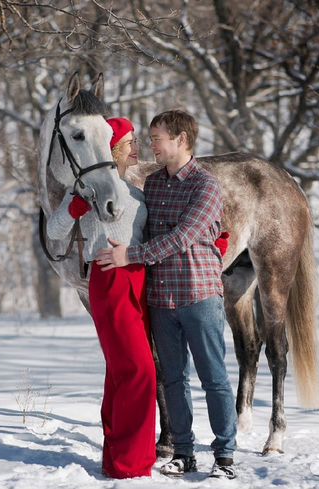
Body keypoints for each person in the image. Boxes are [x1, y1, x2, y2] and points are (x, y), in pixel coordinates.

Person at [95, 109, 238, 480]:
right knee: (172, 379)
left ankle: (224, 456)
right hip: (161, 299)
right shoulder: (154, 185)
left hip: (199, 294)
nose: (152, 144)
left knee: (214, 378)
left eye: (158, 137)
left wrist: (130, 256)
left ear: (181, 140)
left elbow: (183, 237)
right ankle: (184, 452)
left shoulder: (206, 185)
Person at [46, 117, 156, 479]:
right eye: (129, 143)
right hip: (109, 282)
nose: (136, 148)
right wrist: (72, 207)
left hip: (140, 283)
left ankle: (118, 457)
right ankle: (131, 463)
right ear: (111, 150)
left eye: (136, 141)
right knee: (139, 370)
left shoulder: (140, 194)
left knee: (121, 373)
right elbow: (55, 230)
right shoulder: (92, 191)